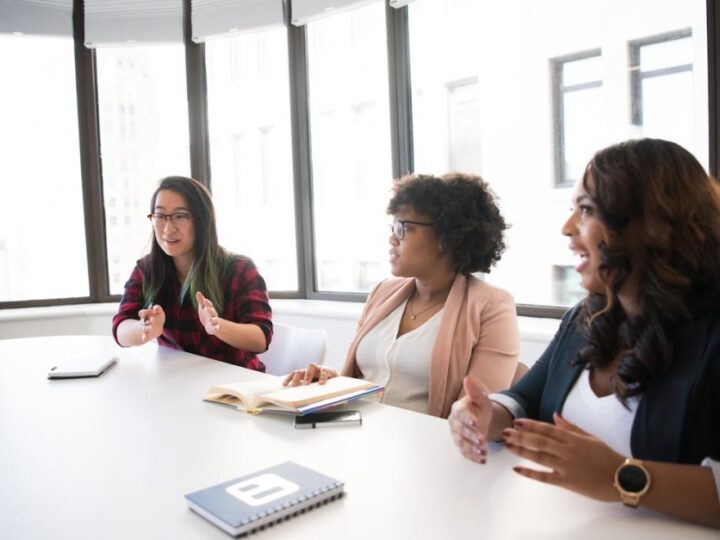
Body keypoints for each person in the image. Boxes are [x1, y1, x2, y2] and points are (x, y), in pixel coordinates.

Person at [448, 139, 720, 528]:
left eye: (587, 210)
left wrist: (621, 477)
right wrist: (485, 414)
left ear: (654, 225)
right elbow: (524, 399)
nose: (567, 227)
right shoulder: (586, 317)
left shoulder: (711, 335)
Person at [284, 173, 520, 419]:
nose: (392, 238)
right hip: (353, 433)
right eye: (393, 227)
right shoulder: (382, 292)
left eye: (403, 228)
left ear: (447, 237)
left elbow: (476, 414)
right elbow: (361, 378)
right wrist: (329, 380)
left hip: (424, 448)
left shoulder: (491, 305)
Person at [112, 176, 273, 370]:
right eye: (160, 216)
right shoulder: (147, 270)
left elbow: (261, 338)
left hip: (234, 387)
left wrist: (217, 326)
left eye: (180, 216)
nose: (168, 229)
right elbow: (121, 328)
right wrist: (144, 328)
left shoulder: (239, 269)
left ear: (201, 220)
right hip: (178, 382)